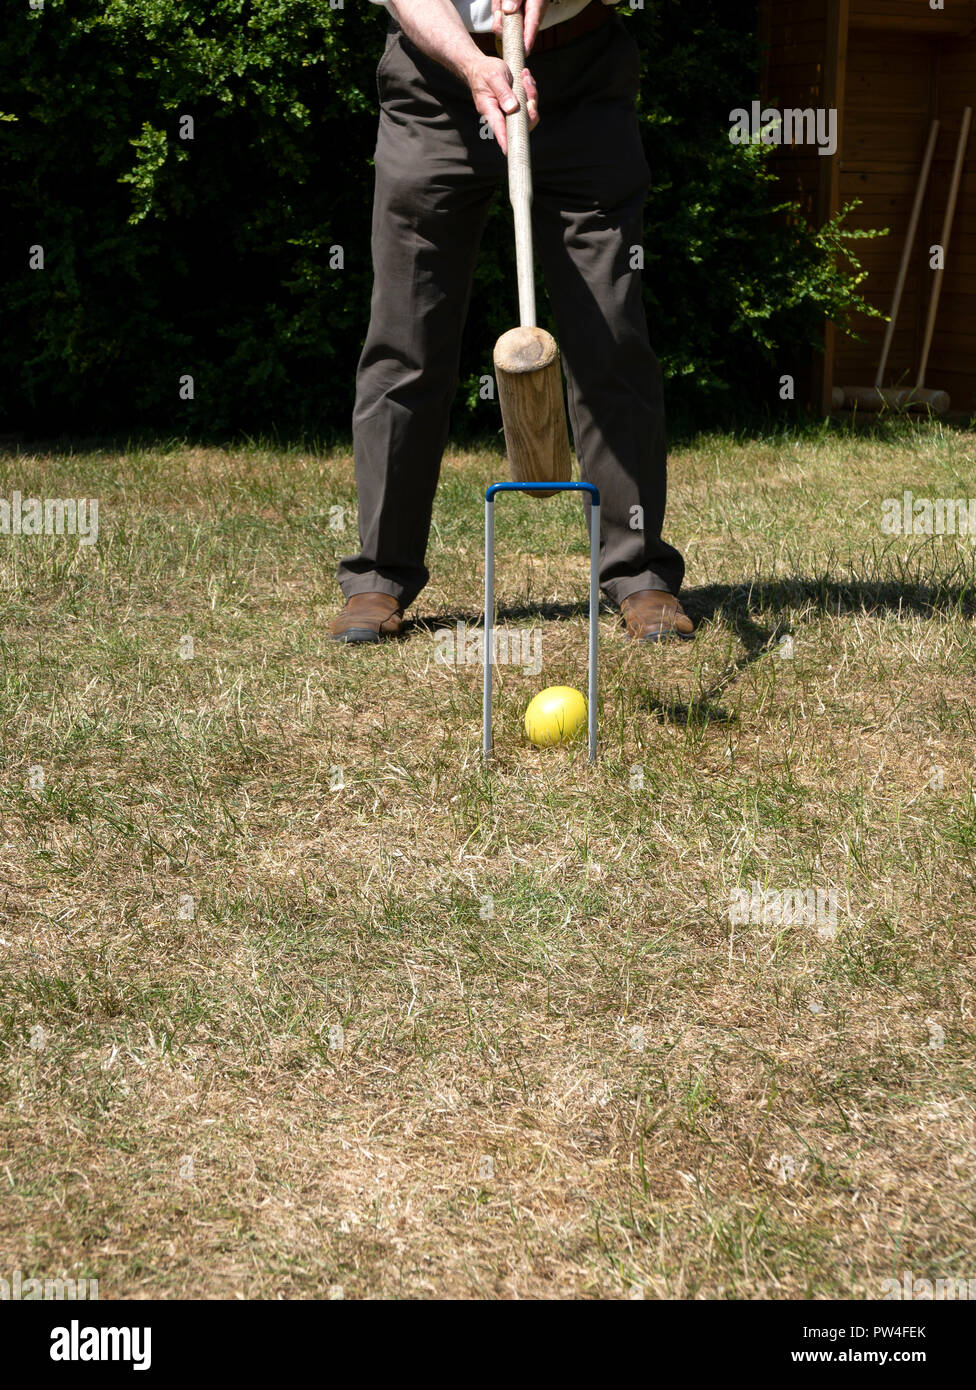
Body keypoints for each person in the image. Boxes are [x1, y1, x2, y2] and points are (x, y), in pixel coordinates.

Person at [331, 0, 694, 645]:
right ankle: (377, 579)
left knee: (611, 332)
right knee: (405, 340)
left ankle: (639, 575)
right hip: (434, 78)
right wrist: (474, 64)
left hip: (581, 75)